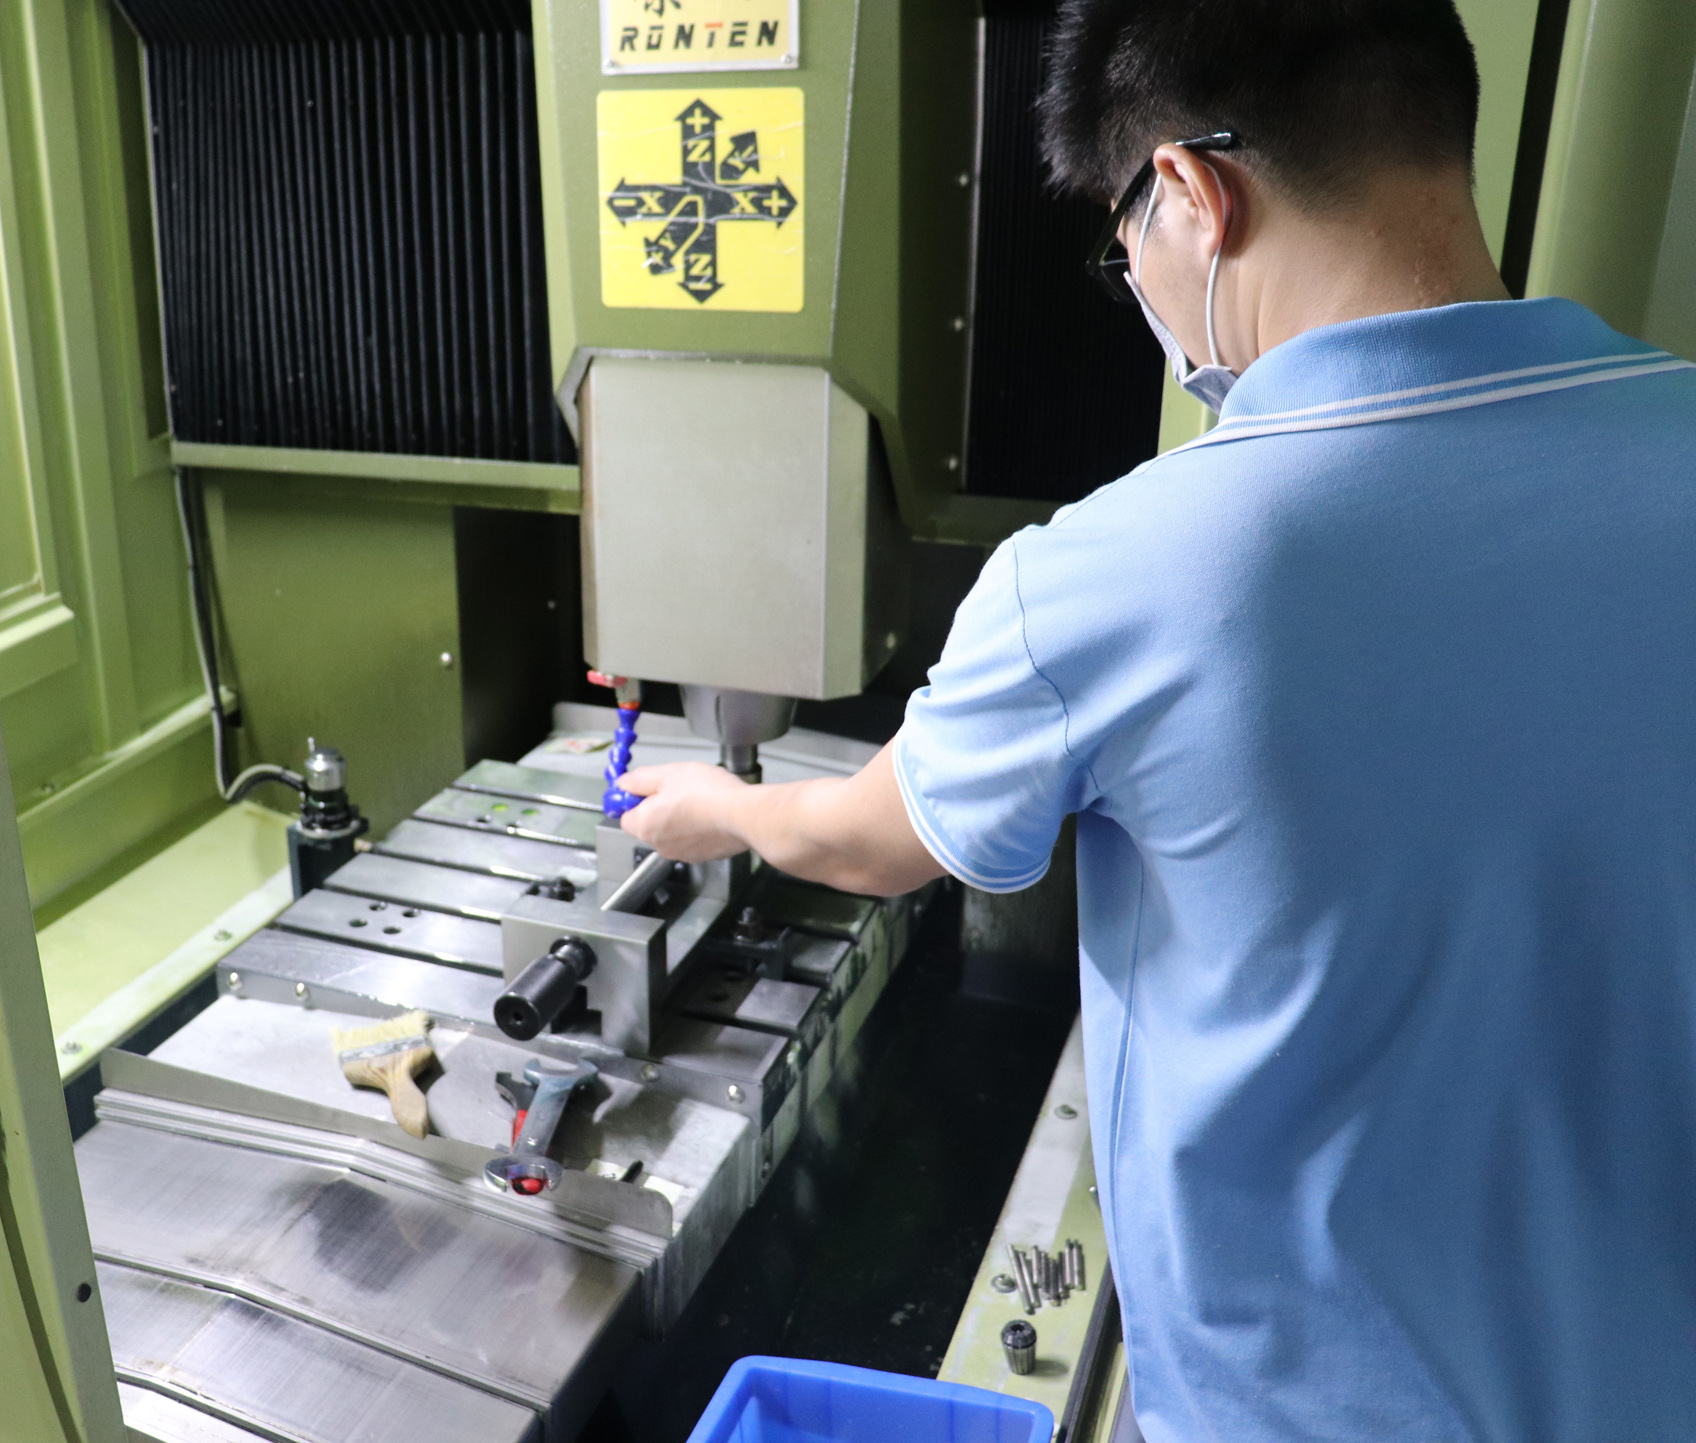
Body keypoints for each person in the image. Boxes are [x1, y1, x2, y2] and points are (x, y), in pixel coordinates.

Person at [617, 1, 1696, 1438]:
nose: (1133, 276)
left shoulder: (1128, 567)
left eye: (1121, 237)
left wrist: (723, 809)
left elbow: (869, 843)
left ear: (1191, 190)